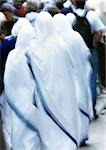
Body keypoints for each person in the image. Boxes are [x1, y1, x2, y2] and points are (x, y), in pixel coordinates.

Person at [3, 12, 80, 149]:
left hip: (33, 98)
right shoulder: (55, 46)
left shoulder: (29, 53)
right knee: (63, 121)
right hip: (62, 92)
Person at [53, 13, 93, 145]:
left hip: (67, 79)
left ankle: (73, 135)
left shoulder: (57, 39)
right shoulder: (75, 36)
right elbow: (86, 53)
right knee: (81, 102)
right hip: (80, 75)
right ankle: (83, 134)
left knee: (70, 107)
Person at [66, 0, 106, 118]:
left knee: (76, 81)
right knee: (92, 80)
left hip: (75, 54)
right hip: (90, 51)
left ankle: (79, 109)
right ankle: (91, 109)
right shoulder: (91, 15)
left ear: (74, 3)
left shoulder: (69, 17)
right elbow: (100, 32)